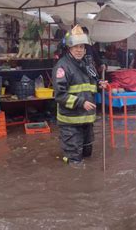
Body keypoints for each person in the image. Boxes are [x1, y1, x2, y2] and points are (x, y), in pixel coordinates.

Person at [52, 24, 107, 166]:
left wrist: (99, 85)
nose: (79, 50)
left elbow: (89, 87)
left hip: (86, 119)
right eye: (76, 47)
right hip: (70, 121)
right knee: (74, 160)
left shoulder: (87, 64)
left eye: (82, 47)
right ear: (69, 48)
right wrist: (81, 102)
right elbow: (59, 96)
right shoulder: (62, 67)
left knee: (87, 154)